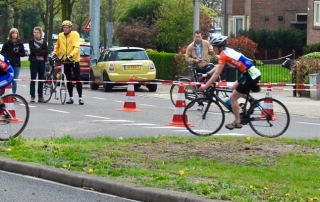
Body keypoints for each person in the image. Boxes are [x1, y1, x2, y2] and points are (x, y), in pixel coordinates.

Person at [198, 36, 261, 130]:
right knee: (232, 89)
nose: (213, 49)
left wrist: (206, 86)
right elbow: (218, 66)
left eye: (215, 47)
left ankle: (237, 122)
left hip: (251, 75)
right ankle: (252, 102)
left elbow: (217, 74)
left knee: (233, 97)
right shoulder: (226, 52)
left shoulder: (224, 55)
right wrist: (207, 74)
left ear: (221, 47)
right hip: (250, 73)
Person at [52, 20, 84, 105]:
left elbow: (77, 47)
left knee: (77, 78)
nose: (65, 29)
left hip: (74, 60)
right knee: (68, 79)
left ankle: (80, 98)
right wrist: (55, 53)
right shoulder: (60, 35)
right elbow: (57, 46)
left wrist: (71, 55)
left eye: (67, 27)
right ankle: (71, 97)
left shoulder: (75, 34)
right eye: (64, 27)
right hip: (65, 60)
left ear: (70, 28)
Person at [185, 30, 215, 110]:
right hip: (197, 67)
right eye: (196, 37)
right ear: (194, 37)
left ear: (201, 36)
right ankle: (200, 104)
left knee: (213, 76)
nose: (198, 38)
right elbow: (187, 57)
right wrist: (194, 60)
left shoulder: (206, 43)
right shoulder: (190, 47)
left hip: (205, 65)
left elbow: (211, 50)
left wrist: (213, 53)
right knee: (198, 85)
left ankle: (209, 94)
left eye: (199, 36)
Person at [0, 28, 25, 95]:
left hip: (16, 64)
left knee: (14, 80)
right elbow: (2, 53)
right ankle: (5, 94)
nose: (14, 35)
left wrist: (17, 53)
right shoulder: (7, 43)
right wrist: (6, 58)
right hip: (8, 64)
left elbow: (23, 54)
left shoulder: (20, 43)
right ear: (10, 34)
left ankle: (13, 94)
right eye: (13, 33)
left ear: (17, 34)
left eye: (15, 33)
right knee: (7, 80)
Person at [28, 26, 49, 103]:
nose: (36, 34)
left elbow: (46, 51)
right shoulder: (31, 41)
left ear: (40, 33)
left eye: (37, 32)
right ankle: (32, 96)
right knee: (33, 79)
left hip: (41, 62)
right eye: (35, 32)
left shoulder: (43, 42)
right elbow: (32, 50)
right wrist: (40, 50)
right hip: (34, 62)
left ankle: (40, 96)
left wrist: (38, 52)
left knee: (41, 79)